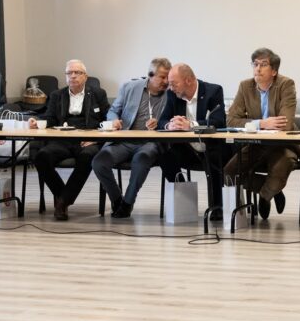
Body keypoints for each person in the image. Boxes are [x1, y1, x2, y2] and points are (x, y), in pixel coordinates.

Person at [225, 47, 300, 220]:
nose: (258, 69)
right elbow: (231, 120)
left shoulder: (286, 84)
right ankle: (271, 190)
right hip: (257, 144)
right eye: (255, 64)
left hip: (283, 144)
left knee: (279, 168)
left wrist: (254, 125)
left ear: (274, 71)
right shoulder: (245, 86)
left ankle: (265, 196)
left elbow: (285, 124)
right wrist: (261, 123)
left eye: (263, 65)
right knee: (229, 173)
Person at [30, 60, 109, 220]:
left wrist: (97, 140)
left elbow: (107, 119)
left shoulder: (98, 94)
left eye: (77, 72)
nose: (72, 76)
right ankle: (64, 198)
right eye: (69, 73)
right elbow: (50, 118)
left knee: (88, 156)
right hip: (62, 139)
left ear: (85, 76)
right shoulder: (57, 95)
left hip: (87, 139)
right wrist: (36, 122)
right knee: (41, 156)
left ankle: (62, 203)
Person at [91, 58, 170, 218]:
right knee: (99, 162)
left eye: (168, 77)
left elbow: (173, 118)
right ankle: (117, 199)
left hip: (150, 142)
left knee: (141, 159)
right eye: (162, 77)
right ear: (150, 75)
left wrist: (161, 123)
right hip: (124, 141)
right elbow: (113, 110)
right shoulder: (130, 87)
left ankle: (127, 203)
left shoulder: (172, 93)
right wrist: (114, 120)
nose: (166, 81)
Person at [157, 63, 227, 218]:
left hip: (211, 148)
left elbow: (218, 121)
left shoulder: (213, 91)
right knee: (162, 152)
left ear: (188, 80)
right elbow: (162, 121)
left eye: (174, 84)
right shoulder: (172, 95)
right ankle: (184, 196)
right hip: (187, 149)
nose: (171, 88)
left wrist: (191, 125)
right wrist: (170, 125)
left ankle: (217, 208)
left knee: (215, 156)